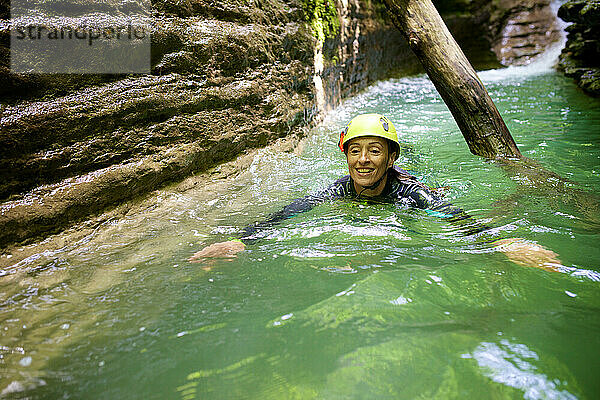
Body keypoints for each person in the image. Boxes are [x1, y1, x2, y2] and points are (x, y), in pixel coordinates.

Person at [189, 113, 561, 271]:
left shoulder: (411, 195)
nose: (363, 160)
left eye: (375, 150)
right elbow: (292, 211)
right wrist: (243, 241)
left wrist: (502, 243)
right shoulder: (338, 190)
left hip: (416, 183)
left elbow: (455, 218)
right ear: (346, 155)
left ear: (390, 157)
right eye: (355, 150)